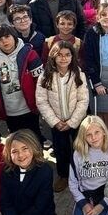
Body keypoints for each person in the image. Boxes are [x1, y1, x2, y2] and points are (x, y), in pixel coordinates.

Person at [36, 43, 90, 193]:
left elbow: (83, 100)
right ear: (53, 56)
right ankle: (64, 175)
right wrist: (54, 121)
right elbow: (41, 101)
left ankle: (83, 174)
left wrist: (73, 121)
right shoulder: (45, 76)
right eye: (59, 55)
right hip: (57, 122)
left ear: (72, 57)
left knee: (80, 148)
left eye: (67, 55)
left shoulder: (78, 74)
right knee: (61, 150)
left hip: (77, 121)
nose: (63, 58)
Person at [0, 24, 43, 139]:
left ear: (14, 36)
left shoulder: (29, 53)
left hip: (29, 108)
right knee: (17, 139)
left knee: (35, 138)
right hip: (8, 111)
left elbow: (40, 81)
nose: (5, 42)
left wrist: (40, 102)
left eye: (7, 37)